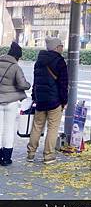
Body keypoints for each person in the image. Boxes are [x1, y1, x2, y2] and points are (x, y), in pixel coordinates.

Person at [27, 36, 68, 164]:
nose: (62, 47)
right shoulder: (60, 62)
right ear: (56, 47)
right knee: (52, 127)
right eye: (61, 45)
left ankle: (31, 154)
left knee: (37, 126)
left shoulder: (39, 61)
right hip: (54, 101)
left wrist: (35, 97)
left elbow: (36, 82)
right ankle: (48, 155)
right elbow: (63, 84)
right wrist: (64, 100)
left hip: (40, 100)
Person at [0, 41, 30, 165]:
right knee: (8, 129)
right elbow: (23, 84)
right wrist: (28, 85)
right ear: (17, 56)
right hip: (11, 103)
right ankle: (6, 158)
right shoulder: (16, 67)